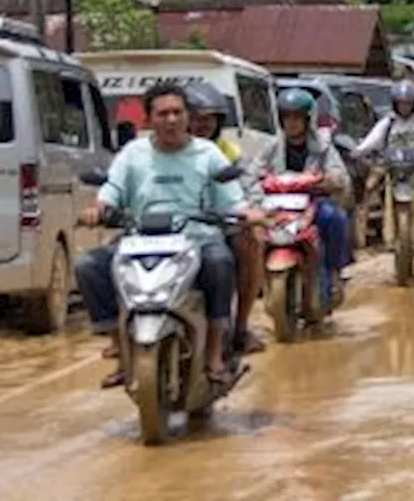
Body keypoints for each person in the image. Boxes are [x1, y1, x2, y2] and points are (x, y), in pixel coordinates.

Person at [74, 83, 257, 389]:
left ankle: (214, 353)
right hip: (138, 240)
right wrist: (98, 209)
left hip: (197, 239)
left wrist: (248, 213)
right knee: (88, 265)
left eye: (177, 112)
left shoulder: (208, 153)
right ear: (149, 120)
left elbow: (231, 198)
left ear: (187, 117)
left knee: (221, 261)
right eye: (163, 114)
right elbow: (113, 190)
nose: (171, 120)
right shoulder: (132, 154)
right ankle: (120, 348)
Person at [249, 88, 353, 306]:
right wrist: (255, 197)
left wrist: (326, 181)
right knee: (250, 230)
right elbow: (252, 175)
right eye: (287, 117)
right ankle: (255, 280)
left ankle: (334, 274)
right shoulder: (271, 147)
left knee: (335, 218)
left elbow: (340, 176)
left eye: (297, 117)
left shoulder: (323, 147)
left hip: (312, 204)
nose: (292, 123)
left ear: (308, 119)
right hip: (277, 207)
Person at [187, 82, 267, 354]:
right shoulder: (159, 148)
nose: (202, 126)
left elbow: (248, 187)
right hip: (169, 227)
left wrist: (252, 211)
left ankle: (241, 328)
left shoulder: (227, 153)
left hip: (218, 224)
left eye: (209, 120)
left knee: (251, 240)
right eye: (196, 119)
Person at [353, 80, 414, 216]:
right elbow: (373, 139)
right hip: (389, 163)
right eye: (401, 103)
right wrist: (358, 151)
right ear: (395, 103)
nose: (404, 107)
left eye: (408, 103)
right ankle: (365, 214)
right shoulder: (388, 122)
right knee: (370, 184)